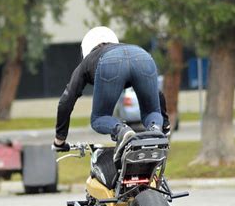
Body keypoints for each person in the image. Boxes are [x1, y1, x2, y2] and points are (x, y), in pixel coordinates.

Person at [53, 26, 164, 163]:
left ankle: (122, 131)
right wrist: (166, 123)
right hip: (144, 56)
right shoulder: (129, 48)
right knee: (151, 112)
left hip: (110, 63)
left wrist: (60, 139)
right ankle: (156, 130)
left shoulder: (88, 61)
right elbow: (157, 93)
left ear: (86, 48)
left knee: (99, 118)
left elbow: (66, 100)